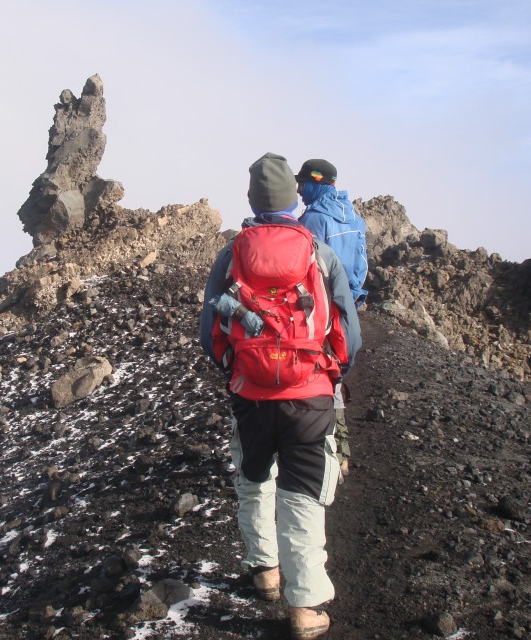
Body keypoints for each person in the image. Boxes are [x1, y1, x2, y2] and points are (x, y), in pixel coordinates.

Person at [200, 152, 361, 639]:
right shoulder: (317, 250)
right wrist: (328, 374)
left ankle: (265, 572)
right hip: (309, 394)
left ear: (252, 200)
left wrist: (236, 367)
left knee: (254, 479)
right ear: (294, 198)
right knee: (303, 494)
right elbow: (349, 337)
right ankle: (306, 605)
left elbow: (211, 331)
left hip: (250, 391)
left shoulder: (232, 254)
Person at [295, 159, 368, 478]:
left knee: (316, 374)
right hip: (345, 307)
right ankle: (342, 453)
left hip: (319, 313)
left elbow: (304, 269)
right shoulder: (354, 216)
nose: (298, 189)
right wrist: (350, 298)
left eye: (303, 183)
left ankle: (323, 452)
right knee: (336, 371)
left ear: (316, 182)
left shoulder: (313, 219)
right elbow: (362, 265)